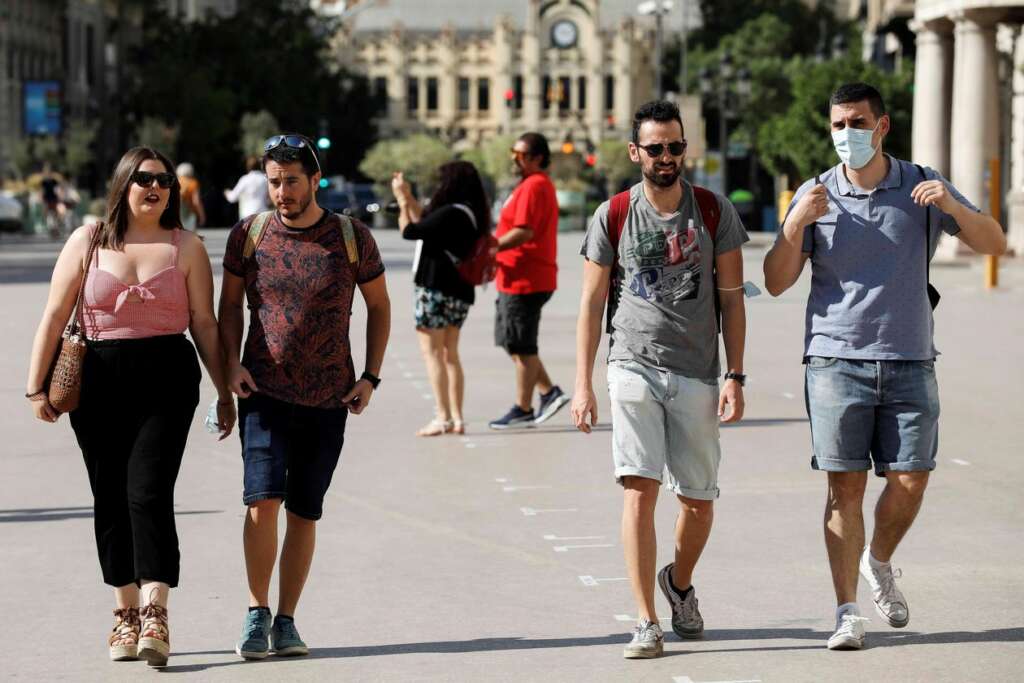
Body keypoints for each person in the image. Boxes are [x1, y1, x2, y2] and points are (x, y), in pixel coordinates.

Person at [763, 83, 1007, 651]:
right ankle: (847, 612)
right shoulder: (814, 192)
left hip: (910, 358)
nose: (845, 133)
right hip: (834, 361)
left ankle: (880, 559)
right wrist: (796, 221)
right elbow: (776, 281)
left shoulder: (921, 183)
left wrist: (950, 205)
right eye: (837, 125)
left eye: (856, 122)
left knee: (912, 480)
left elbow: (994, 243)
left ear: (882, 126)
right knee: (843, 490)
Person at [25, 147, 236, 667]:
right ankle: (124, 611)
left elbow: (205, 324)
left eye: (164, 180)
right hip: (96, 377)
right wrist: (36, 387)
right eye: (144, 179)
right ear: (123, 184)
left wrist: (225, 389)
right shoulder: (88, 239)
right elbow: (54, 314)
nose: (156, 188)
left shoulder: (185, 246)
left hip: (167, 375)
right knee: (109, 496)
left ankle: (155, 610)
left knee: (148, 490)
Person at [572, 100, 749, 659]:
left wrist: (735, 374)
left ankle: (677, 582)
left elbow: (731, 300)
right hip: (631, 363)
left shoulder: (713, 212)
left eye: (675, 147)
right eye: (656, 148)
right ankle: (646, 619)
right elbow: (592, 299)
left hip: (696, 369)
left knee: (698, 501)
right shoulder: (615, 213)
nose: (667, 157)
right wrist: (583, 384)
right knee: (639, 490)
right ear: (636, 152)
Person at [218, 133, 391, 660]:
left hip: (328, 396)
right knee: (261, 502)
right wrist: (228, 366)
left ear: (316, 181)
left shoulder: (351, 236)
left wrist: (370, 376)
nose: (283, 191)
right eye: (275, 181)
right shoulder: (249, 234)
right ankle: (256, 610)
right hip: (263, 391)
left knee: (304, 511)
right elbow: (228, 307)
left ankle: (287, 619)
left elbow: (380, 307)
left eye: (292, 181)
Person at [391, 161, 490, 436]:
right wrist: (408, 196)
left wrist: (401, 201)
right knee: (450, 354)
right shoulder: (469, 213)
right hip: (460, 292)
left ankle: (442, 417)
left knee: (432, 353)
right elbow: (426, 219)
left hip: (434, 289)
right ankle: (457, 417)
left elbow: (410, 230)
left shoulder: (449, 213)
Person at [488, 132, 569, 429]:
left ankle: (523, 409)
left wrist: (491, 248)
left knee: (522, 345)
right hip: (515, 277)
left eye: (520, 154)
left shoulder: (534, 185)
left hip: (527, 278)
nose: (514, 158)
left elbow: (524, 231)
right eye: (514, 152)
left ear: (536, 158)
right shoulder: (527, 185)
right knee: (513, 342)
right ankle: (549, 392)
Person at [225, 156, 271, 221]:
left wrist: (226, 192)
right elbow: (269, 198)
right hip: (262, 214)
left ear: (248, 167)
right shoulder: (265, 179)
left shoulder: (245, 179)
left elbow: (232, 198)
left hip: (247, 215)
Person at [176, 162, 205, 233]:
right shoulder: (193, 183)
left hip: (176, 212)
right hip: (189, 213)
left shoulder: (175, 181)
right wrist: (202, 215)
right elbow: (196, 201)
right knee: (189, 236)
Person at [40, 163, 67, 238]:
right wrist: (42, 201)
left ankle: (56, 231)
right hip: (47, 200)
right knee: (48, 215)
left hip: (54, 200)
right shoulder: (43, 182)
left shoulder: (54, 181)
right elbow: (42, 192)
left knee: (56, 216)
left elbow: (57, 190)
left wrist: (60, 198)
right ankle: (52, 231)